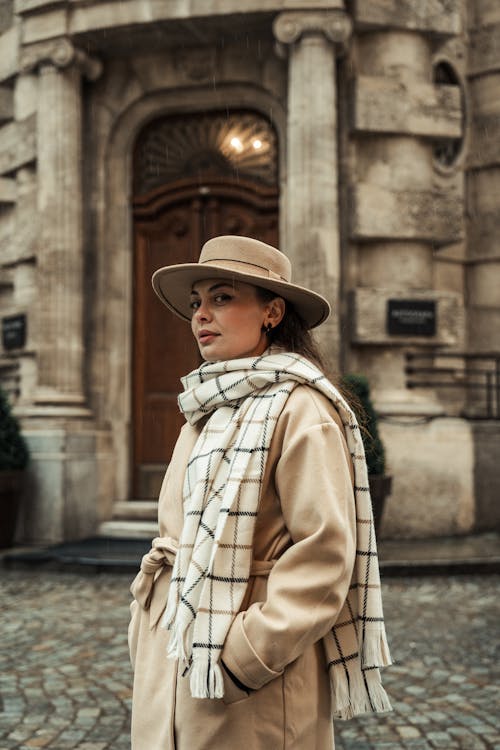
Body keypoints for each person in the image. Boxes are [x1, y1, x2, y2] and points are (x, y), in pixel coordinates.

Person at [128, 235, 392, 750]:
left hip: (252, 684)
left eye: (222, 298)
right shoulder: (207, 406)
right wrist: (147, 625)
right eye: (195, 302)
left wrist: (244, 656)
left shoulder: (302, 409)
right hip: (176, 655)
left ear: (272, 311)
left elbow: (324, 556)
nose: (201, 315)